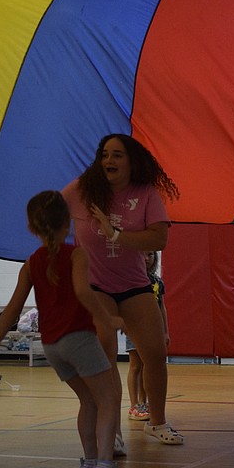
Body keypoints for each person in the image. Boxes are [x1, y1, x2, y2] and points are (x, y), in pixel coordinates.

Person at [0, 191, 131, 468]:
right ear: (67, 222)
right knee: (110, 398)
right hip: (78, 339)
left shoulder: (31, 263)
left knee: (88, 400)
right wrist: (109, 318)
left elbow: (12, 309)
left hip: (52, 346)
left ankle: (88, 464)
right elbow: (83, 293)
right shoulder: (76, 255)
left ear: (32, 227)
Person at [62, 133, 183, 447]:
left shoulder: (145, 194)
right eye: (104, 154)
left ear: (131, 161)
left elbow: (159, 239)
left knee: (155, 353)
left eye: (117, 155)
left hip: (134, 286)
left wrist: (115, 234)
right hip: (95, 287)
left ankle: (157, 422)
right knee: (105, 355)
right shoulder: (82, 189)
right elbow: (52, 213)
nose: (109, 160)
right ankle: (111, 431)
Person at [126, 251, 169, 422]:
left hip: (152, 329)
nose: (146, 259)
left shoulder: (157, 281)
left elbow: (162, 307)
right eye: (143, 255)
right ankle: (134, 405)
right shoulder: (130, 279)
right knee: (136, 366)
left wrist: (165, 331)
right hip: (135, 327)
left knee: (147, 365)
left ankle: (144, 402)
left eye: (150, 255)